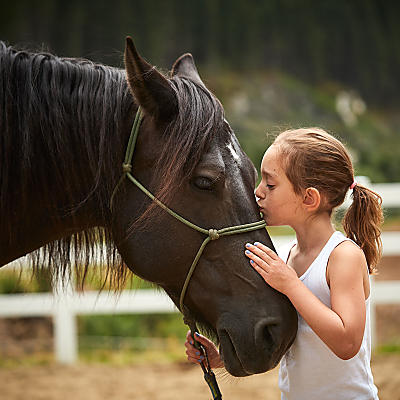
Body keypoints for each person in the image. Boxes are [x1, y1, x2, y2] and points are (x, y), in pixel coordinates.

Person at [184, 127, 383, 399]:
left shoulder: (342, 256)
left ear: (309, 198)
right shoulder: (288, 256)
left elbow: (347, 342)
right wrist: (220, 358)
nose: (258, 192)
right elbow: (296, 345)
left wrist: (290, 285)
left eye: (271, 184)